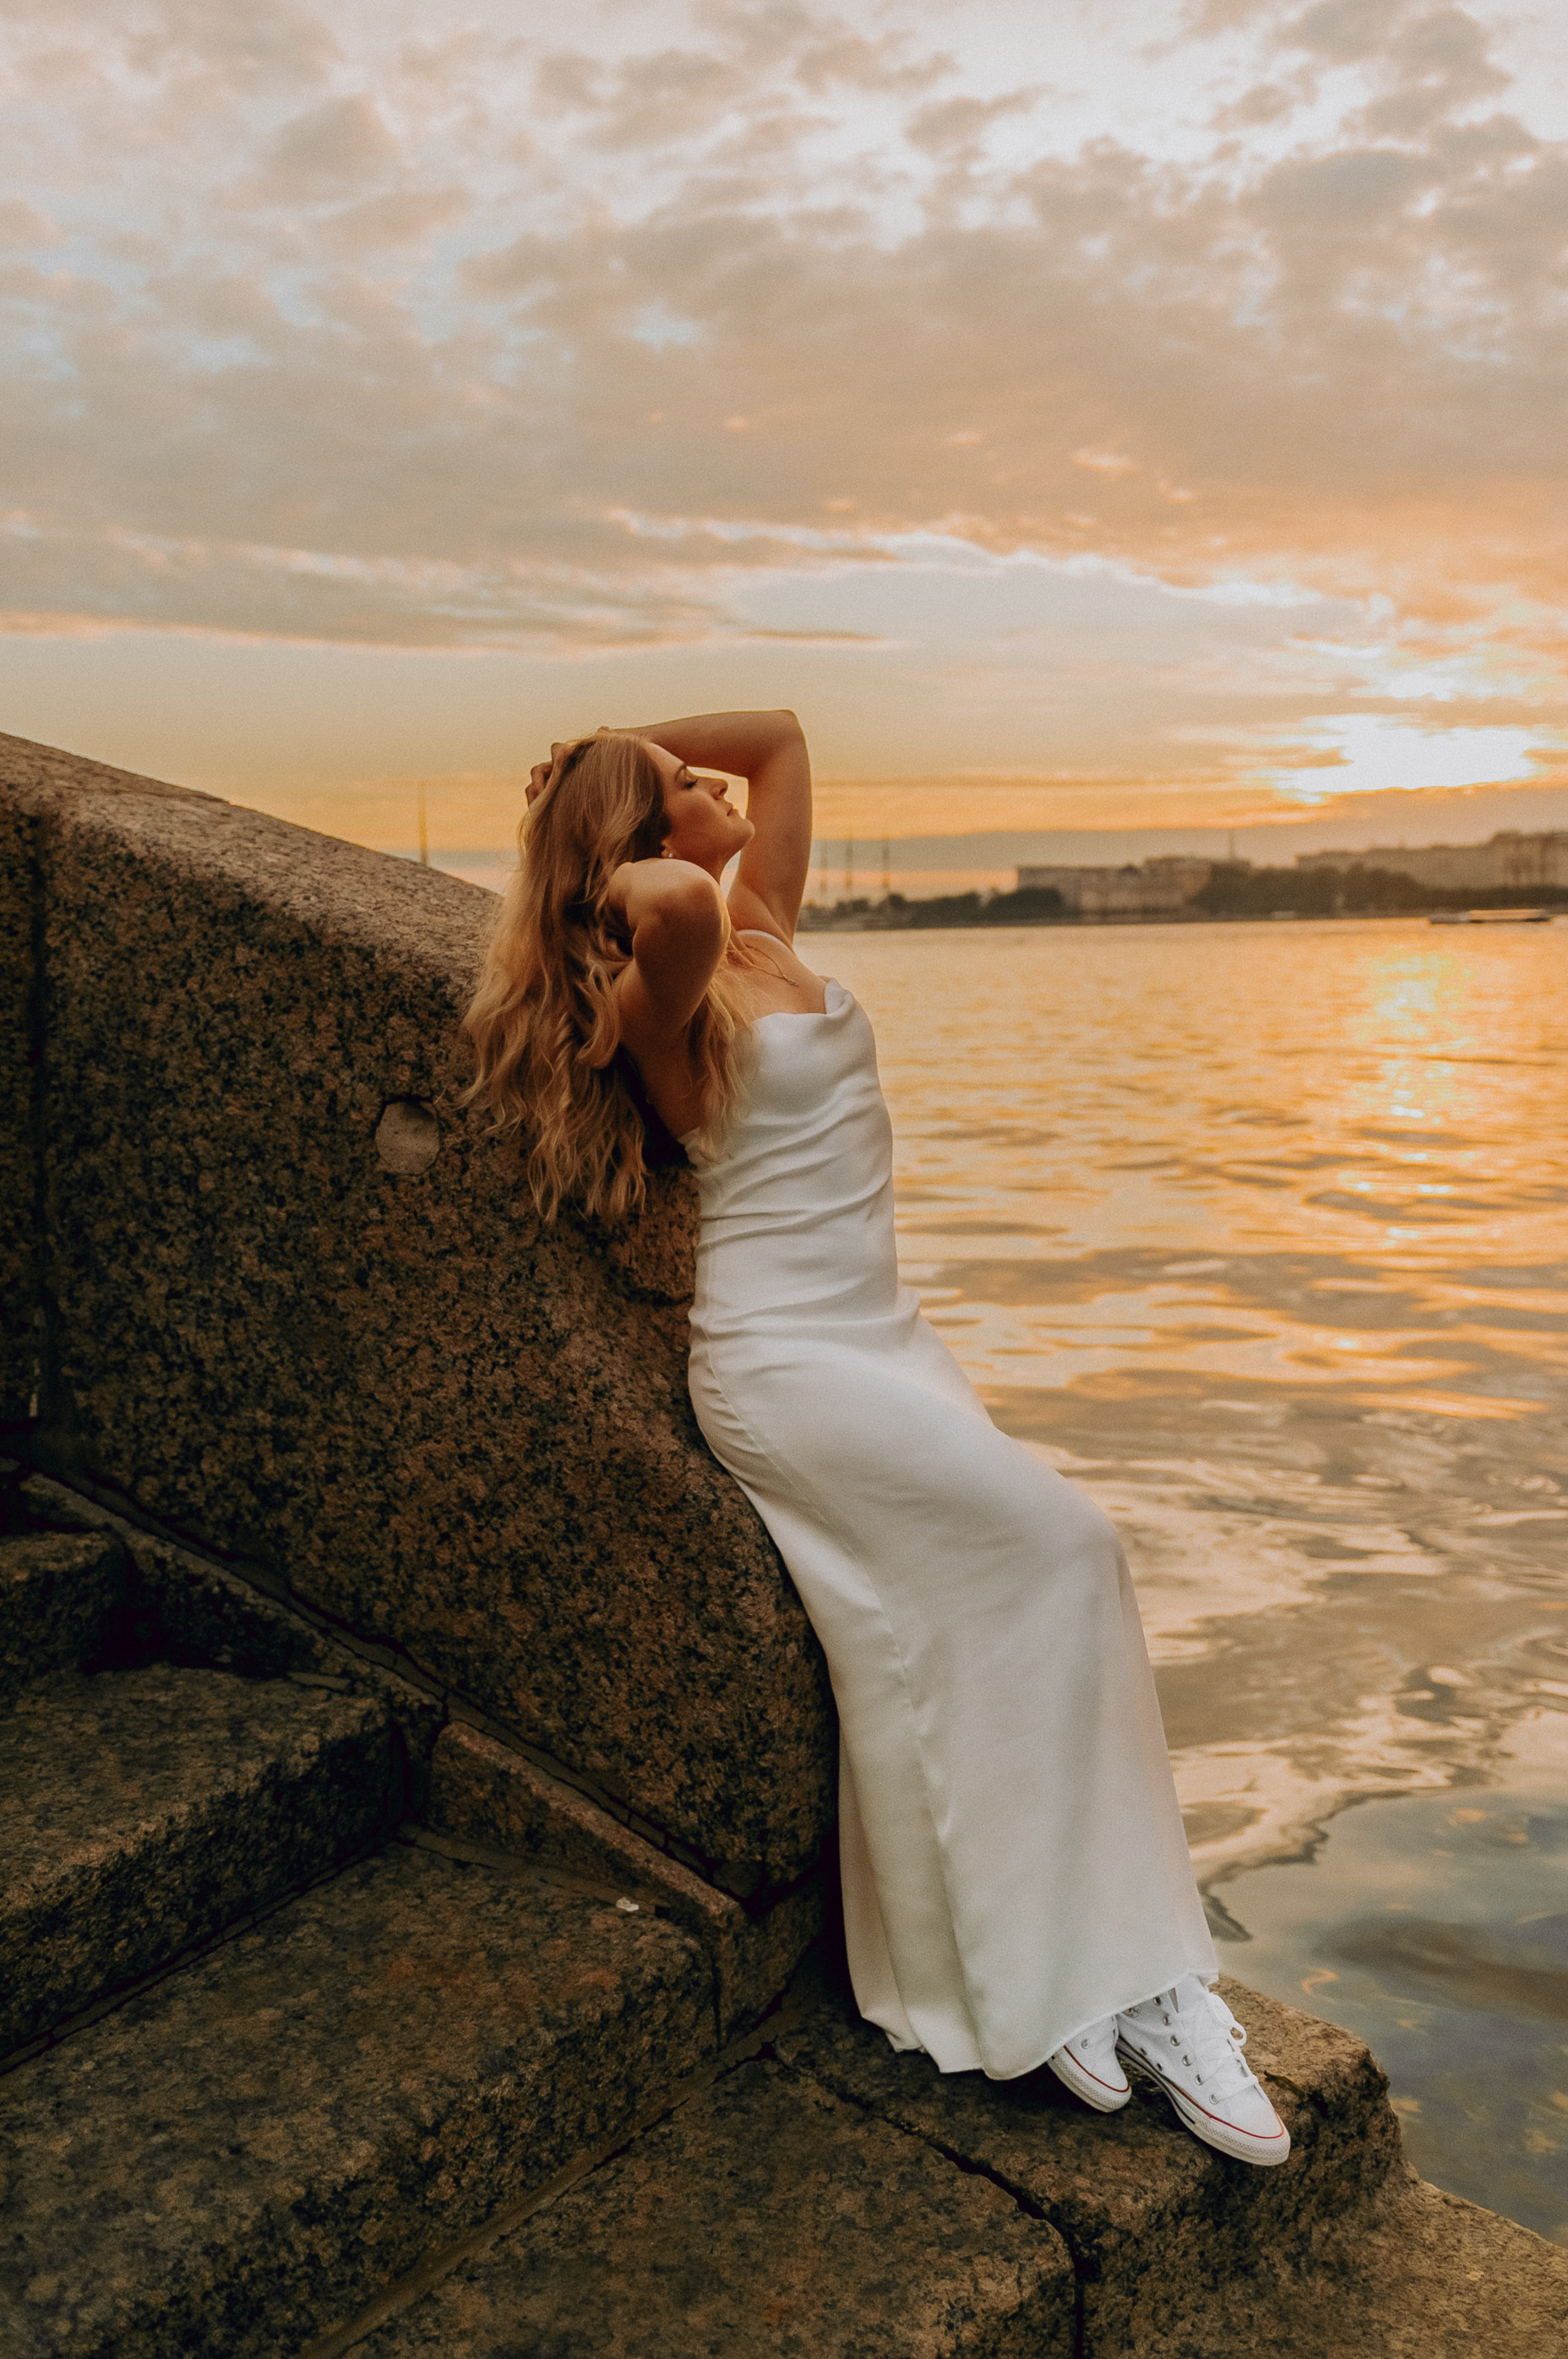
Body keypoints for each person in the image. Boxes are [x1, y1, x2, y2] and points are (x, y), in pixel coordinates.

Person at [462, 708, 1290, 2165]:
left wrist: (624, 754)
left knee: (1000, 1613)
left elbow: (779, 736)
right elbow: (654, 899)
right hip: (787, 1365)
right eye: (681, 794)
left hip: (890, 1343)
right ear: (638, 852)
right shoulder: (679, 977)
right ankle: (1159, 1983)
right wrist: (591, 817)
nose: (722, 791)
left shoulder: (761, 918)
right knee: (1072, 1546)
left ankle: (1064, 1969)